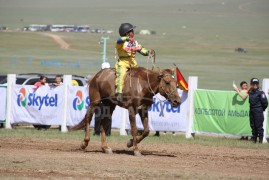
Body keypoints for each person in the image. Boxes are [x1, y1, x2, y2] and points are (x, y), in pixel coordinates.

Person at [115, 23, 152, 101]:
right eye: (131, 31)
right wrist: (127, 39)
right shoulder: (121, 43)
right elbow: (118, 40)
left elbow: (141, 50)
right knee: (122, 74)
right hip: (123, 63)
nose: (133, 33)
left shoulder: (135, 42)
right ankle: (119, 92)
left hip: (133, 64)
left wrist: (147, 52)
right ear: (126, 33)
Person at [248, 78, 268, 143]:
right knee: (253, 126)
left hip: (258, 111)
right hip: (252, 110)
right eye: (253, 84)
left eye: (255, 83)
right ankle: (254, 140)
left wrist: (261, 109)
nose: (254, 85)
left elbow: (265, 103)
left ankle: (260, 141)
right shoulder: (250, 92)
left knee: (259, 126)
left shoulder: (260, 92)